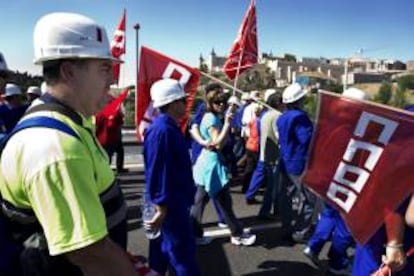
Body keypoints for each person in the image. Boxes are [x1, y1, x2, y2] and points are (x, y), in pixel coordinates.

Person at [0, 12, 135, 275]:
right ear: (69, 71)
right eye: (104, 68)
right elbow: (89, 252)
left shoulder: (68, 119)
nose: (112, 79)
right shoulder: (56, 147)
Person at [143, 78, 200, 275]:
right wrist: (161, 207)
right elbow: (158, 171)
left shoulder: (167, 128)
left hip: (171, 202)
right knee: (181, 256)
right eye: (183, 100)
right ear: (173, 103)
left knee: (162, 255)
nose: (186, 104)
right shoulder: (163, 131)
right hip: (171, 205)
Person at [191, 87, 256, 246]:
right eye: (217, 102)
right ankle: (237, 234)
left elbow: (194, 128)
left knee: (200, 201)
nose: (221, 105)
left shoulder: (208, 115)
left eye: (223, 102)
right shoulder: (212, 119)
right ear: (210, 103)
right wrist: (226, 124)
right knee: (223, 202)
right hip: (212, 165)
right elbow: (218, 144)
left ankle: (194, 234)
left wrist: (202, 140)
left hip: (206, 163)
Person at [277, 83, 317, 243]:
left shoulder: (282, 117)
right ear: (299, 100)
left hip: (284, 161)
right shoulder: (300, 117)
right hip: (298, 163)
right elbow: (306, 139)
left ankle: (286, 227)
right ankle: (300, 232)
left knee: (286, 198)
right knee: (309, 200)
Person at [95, 94, 127, 173]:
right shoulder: (113, 112)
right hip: (112, 137)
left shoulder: (99, 112)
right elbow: (119, 121)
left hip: (102, 137)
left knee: (107, 155)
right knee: (112, 153)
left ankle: (107, 171)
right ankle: (113, 170)